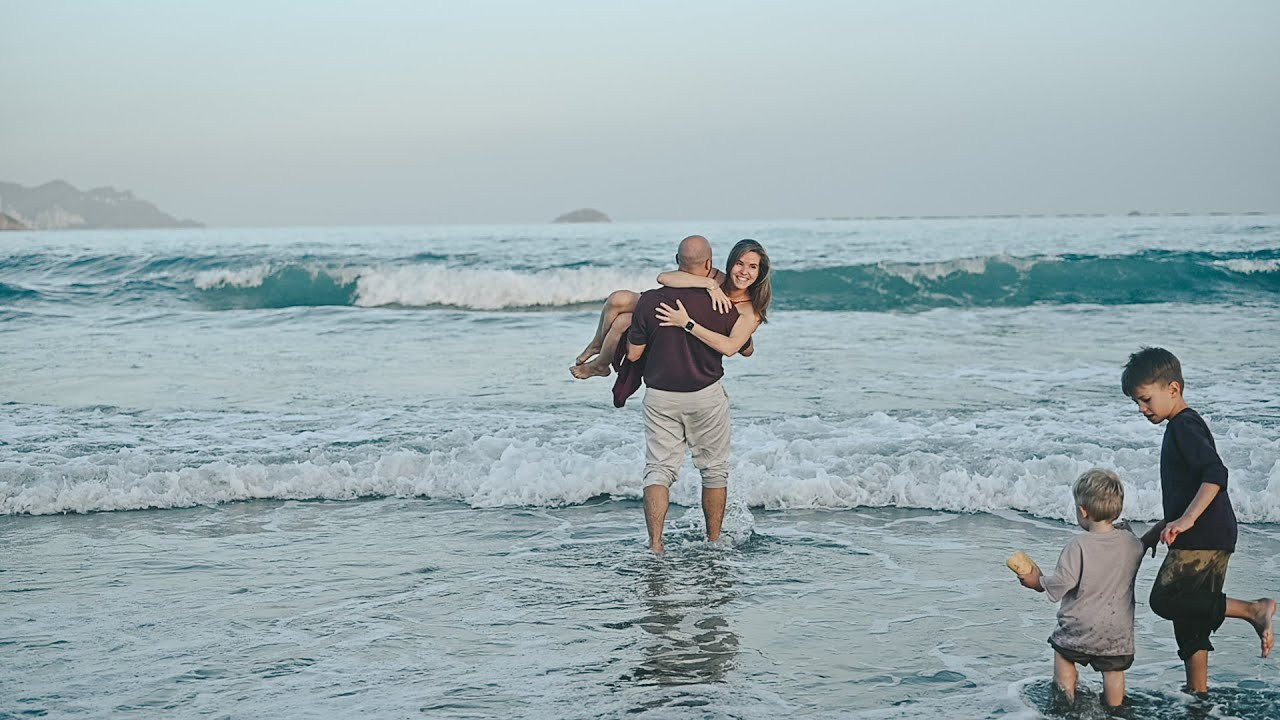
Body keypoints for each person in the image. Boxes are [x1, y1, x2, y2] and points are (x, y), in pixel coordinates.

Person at [1121, 347, 1276, 694]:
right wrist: (1154, 533)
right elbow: (1185, 493)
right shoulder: (1183, 426)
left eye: (1146, 400)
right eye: (1137, 403)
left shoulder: (1183, 426)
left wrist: (1188, 520)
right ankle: (1198, 695)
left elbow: (1216, 474)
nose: (1142, 409)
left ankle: (1254, 609)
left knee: (1165, 600)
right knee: (1191, 621)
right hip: (1213, 533)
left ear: (1173, 389)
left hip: (1203, 535)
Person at [625, 235, 743, 554]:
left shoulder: (650, 301)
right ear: (709, 264)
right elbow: (743, 347)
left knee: (659, 469)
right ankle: (715, 541)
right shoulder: (722, 302)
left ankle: (655, 544)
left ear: (677, 260)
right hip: (706, 395)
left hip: (661, 397)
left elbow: (634, 355)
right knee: (714, 469)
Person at [1015, 468, 1145, 709]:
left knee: (1064, 657)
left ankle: (1065, 704)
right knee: (1114, 671)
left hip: (1079, 626)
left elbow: (1063, 582)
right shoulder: (1131, 543)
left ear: (1083, 511)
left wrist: (1038, 583)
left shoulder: (1078, 545)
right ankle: (1115, 710)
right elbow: (1137, 548)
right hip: (1117, 630)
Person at [571, 238, 771, 379]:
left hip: (713, 331)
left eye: (753, 267)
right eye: (739, 264)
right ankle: (598, 349)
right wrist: (709, 285)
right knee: (617, 300)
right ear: (730, 264)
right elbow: (664, 277)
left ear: (760, 272)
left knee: (624, 321)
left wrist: (688, 323)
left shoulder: (749, 311)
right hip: (678, 312)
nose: (744, 272)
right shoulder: (717, 277)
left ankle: (600, 365)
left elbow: (730, 348)